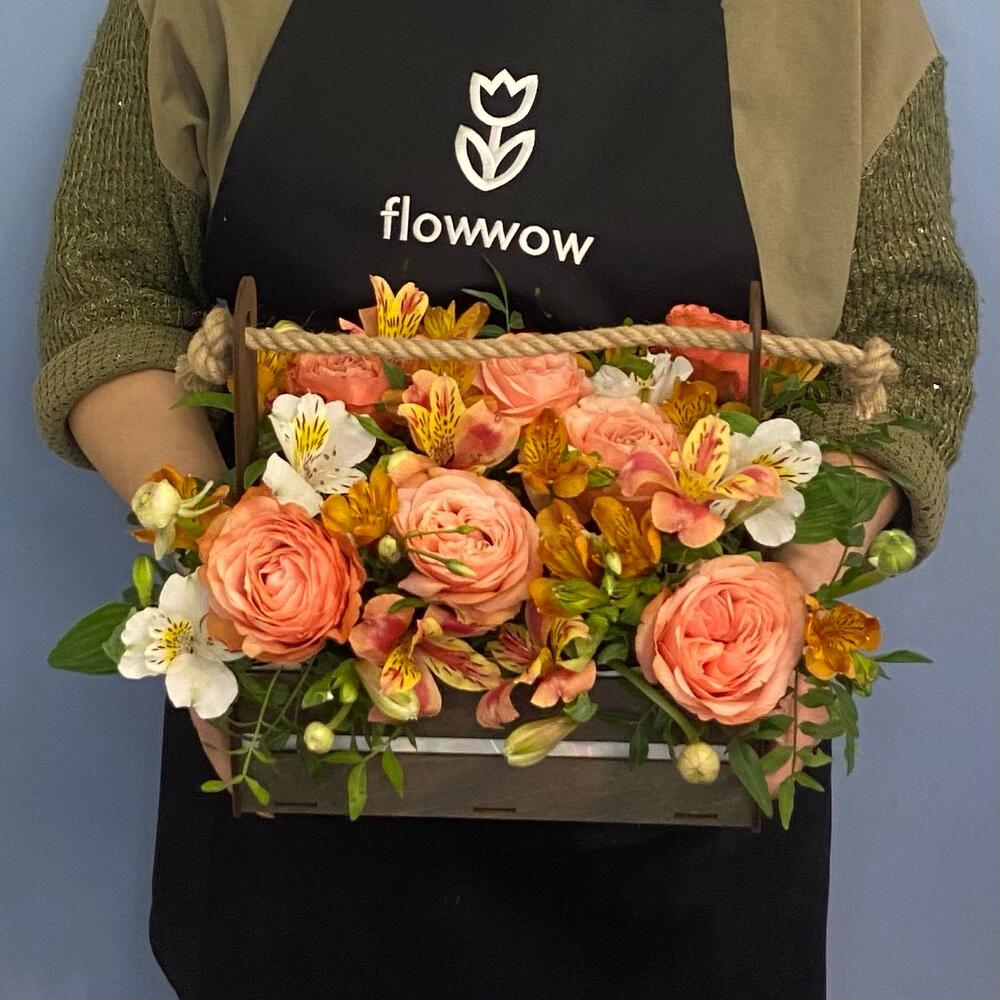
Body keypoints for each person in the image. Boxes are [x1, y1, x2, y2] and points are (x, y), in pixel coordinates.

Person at [32, 1, 977, 998]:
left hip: (687, 820)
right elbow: (112, 298)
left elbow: (906, 341)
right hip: (299, 789)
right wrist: (237, 567)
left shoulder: (842, 23)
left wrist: (784, 594)